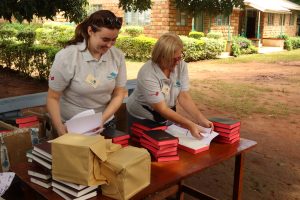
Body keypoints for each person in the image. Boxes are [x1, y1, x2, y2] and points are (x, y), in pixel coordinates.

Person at [47, 10, 127, 136]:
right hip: (71, 125)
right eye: (105, 39)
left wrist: (101, 120)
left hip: (105, 122)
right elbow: (53, 97)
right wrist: (60, 128)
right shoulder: (68, 56)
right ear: (90, 31)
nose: (109, 45)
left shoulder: (117, 56)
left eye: (114, 40)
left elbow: (119, 94)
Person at [126, 33, 213, 138]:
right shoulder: (148, 73)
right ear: (161, 57)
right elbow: (161, 108)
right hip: (142, 117)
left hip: (164, 115)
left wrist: (201, 119)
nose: (178, 62)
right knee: (147, 149)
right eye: (173, 59)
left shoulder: (181, 65)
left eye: (179, 56)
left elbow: (183, 96)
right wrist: (190, 125)